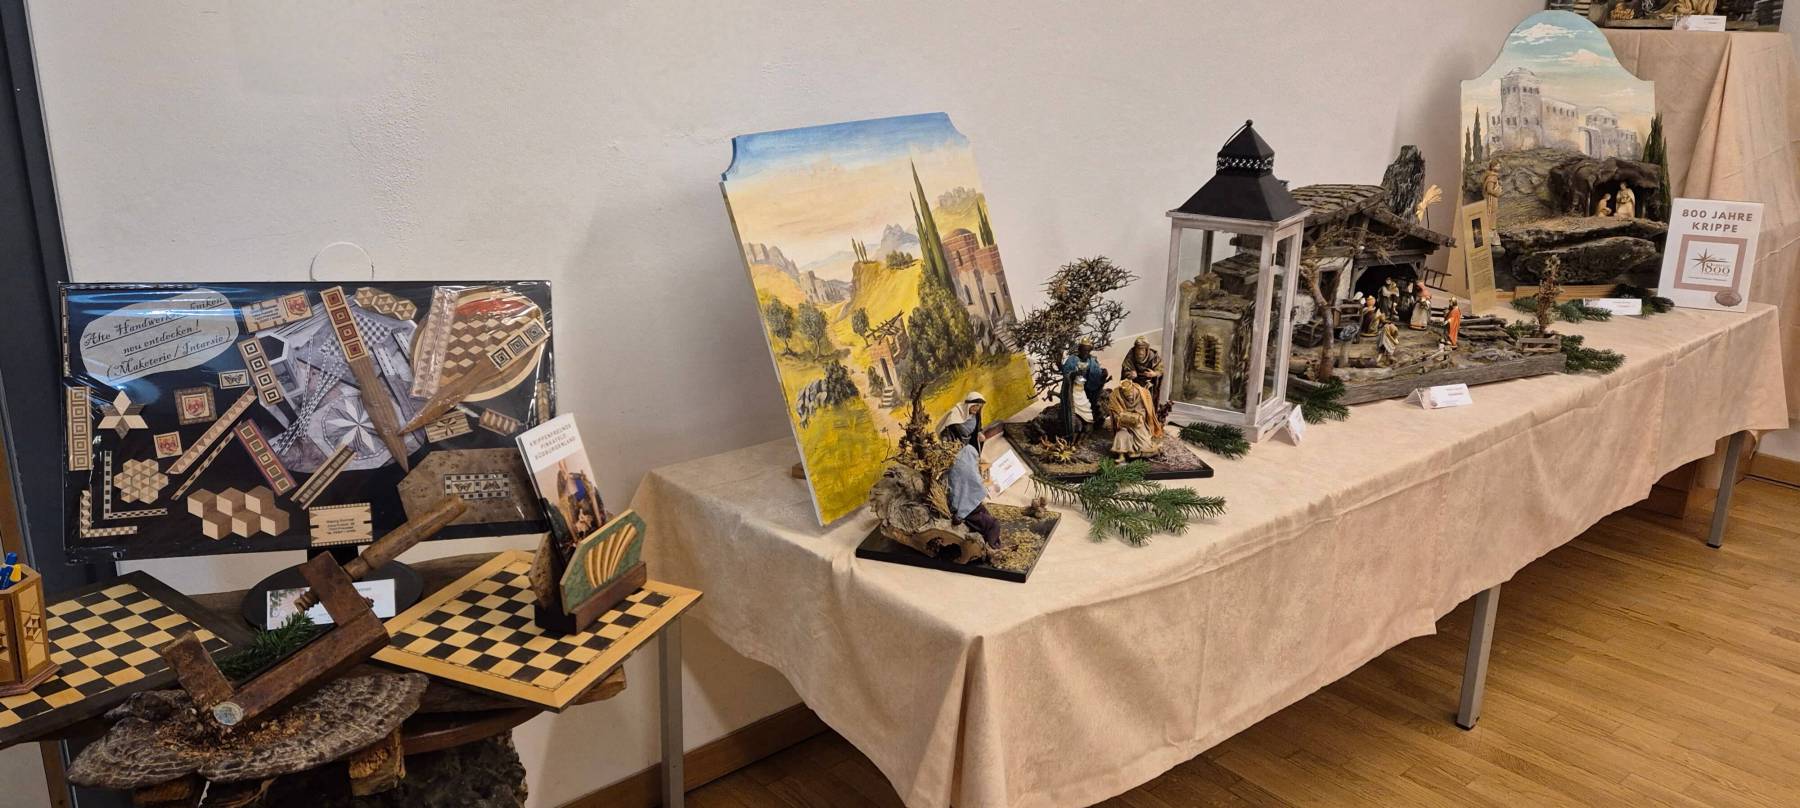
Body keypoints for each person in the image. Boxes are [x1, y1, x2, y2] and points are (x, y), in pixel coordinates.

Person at [946, 441, 1000, 548]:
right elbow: (978, 486)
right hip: (968, 509)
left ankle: (991, 541)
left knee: (987, 516)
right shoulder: (968, 469)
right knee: (994, 524)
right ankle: (993, 547)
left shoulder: (956, 466)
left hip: (967, 505)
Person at [1058, 338, 1109, 439]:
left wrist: (1103, 375)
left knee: (1089, 413)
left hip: (1088, 390)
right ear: (1079, 349)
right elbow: (1066, 373)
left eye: (1088, 350)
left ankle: (1088, 431)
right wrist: (1074, 374)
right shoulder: (1072, 359)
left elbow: (1097, 375)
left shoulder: (1092, 361)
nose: (1086, 353)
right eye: (1084, 350)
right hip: (1075, 391)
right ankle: (1072, 434)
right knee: (1075, 415)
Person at [1105, 377, 1163, 460]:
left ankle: (1148, 450)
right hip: (1124, 424)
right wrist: (1121, 418)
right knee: (1121, 434)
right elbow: (1116, 413)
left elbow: (1143, 413)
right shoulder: (1117, 396)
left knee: (1144, 445)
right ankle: (1122, 456)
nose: (1130, 399)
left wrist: (1135, 418)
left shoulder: (1140, 395)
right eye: (1127, 397)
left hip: (1139, 425)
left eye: (1131, 396)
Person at [1119, 337, 1164, 403]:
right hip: (1134, 383)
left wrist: (1154, 374)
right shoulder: (1131, 355)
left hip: (1148, 384)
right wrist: (1130, 374)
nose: (1140, 352)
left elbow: (1160, 370)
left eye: (1142, 349)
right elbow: (1125, 369)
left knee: (1148, 399)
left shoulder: (1153, 357)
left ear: (1146, 349)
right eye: (1138, 349)